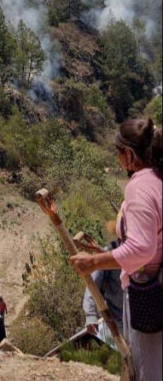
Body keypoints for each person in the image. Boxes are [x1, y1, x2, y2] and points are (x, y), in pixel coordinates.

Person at [70, 118, 162, 381]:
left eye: (118, 153)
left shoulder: (140, 186)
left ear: (129, 154)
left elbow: (142, 248)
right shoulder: (158, 179)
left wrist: (95, 261)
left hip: (150, 293)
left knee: (149, 370)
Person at [82, 237, 124, 347]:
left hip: (145, 316)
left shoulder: (148, 247)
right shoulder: (109, 252)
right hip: (119, 320)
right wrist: (90, 316)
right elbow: (92, 285)